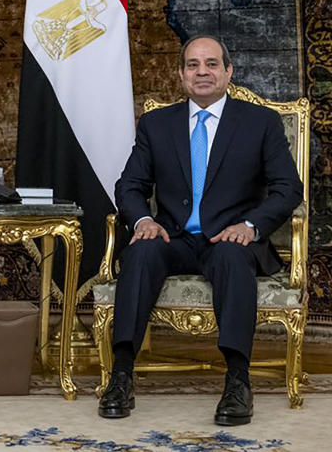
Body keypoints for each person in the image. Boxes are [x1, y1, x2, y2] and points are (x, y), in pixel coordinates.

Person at [98, 36, 302, 426]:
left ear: (228, 71)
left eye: (211, 64)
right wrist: (143, 221)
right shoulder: (157, 124)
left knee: (229, 255)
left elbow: (288, 188)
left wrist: (250, 226)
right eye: (193, 65)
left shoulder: (260, 123)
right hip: (172, 239)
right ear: (181, 74)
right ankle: (121, 375)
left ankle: (238, 381)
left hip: (231, 240)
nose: (202, 72)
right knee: (140, 250)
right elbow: (129, 185)